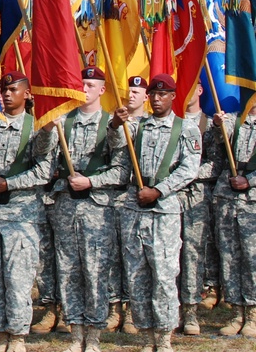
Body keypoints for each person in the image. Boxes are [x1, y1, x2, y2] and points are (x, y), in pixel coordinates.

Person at [0, 72, 57, 352]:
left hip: (21, 214)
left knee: (17, 278)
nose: (5, 94)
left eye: (13, 89)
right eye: (3, 89)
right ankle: (0, 335)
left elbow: (44, 169)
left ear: (27, 94)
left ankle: (17, 338)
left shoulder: (37, 126)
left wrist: (10, 183)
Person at [112, 74, 201, 352]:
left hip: (163, 211)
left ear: (173, 96)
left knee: (163, 275)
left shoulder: (185, 129)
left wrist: (160, 190)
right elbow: (118, 150)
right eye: (154, 94)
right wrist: (115, 125)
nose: (158, 99)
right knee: (137, 275)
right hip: (134, 209)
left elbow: (189, 168)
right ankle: (146, 334)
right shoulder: (137, 127)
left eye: (164, 94)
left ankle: (164, 337)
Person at [47, 67, 128, 352]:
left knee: (95, 272)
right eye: (81, 83)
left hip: (97, 208)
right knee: (68, 270)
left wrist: (91, 181)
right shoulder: (63, 122)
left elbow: (122, 172)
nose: (85, 88)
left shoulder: (112, 124)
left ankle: (94, 333)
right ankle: (75, 330)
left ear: (103, 90)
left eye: (91, 84)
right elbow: (46, 162)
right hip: (66, 206)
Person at [177, 86, 226, 335]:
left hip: (197, 195)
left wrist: (186, 174)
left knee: (194, 253)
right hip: (170, 196)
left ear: (199, 90)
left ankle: (191, 310)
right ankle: (170, 308)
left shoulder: (209, 122)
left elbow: (216, 163)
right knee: (170, 253)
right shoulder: (171, 122)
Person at [106, 75, 149, 334]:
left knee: (137, 258)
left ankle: (134, 310)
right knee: (113, 256)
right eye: (128, 90)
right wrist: (115, 124)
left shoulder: (152, 124)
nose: (131, 94)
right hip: (113, 196)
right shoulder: (112, 123)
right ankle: (114, 308)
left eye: (137, 91)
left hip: (140, 198)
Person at [213, 104, 256, 337]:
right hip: (228, 198)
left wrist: (250, 181)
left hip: (252, 200)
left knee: (252, 259)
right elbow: (222, 137)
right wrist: (219, 123)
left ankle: (253, 314)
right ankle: (236, 312)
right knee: (229, 257)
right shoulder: (235, 119)